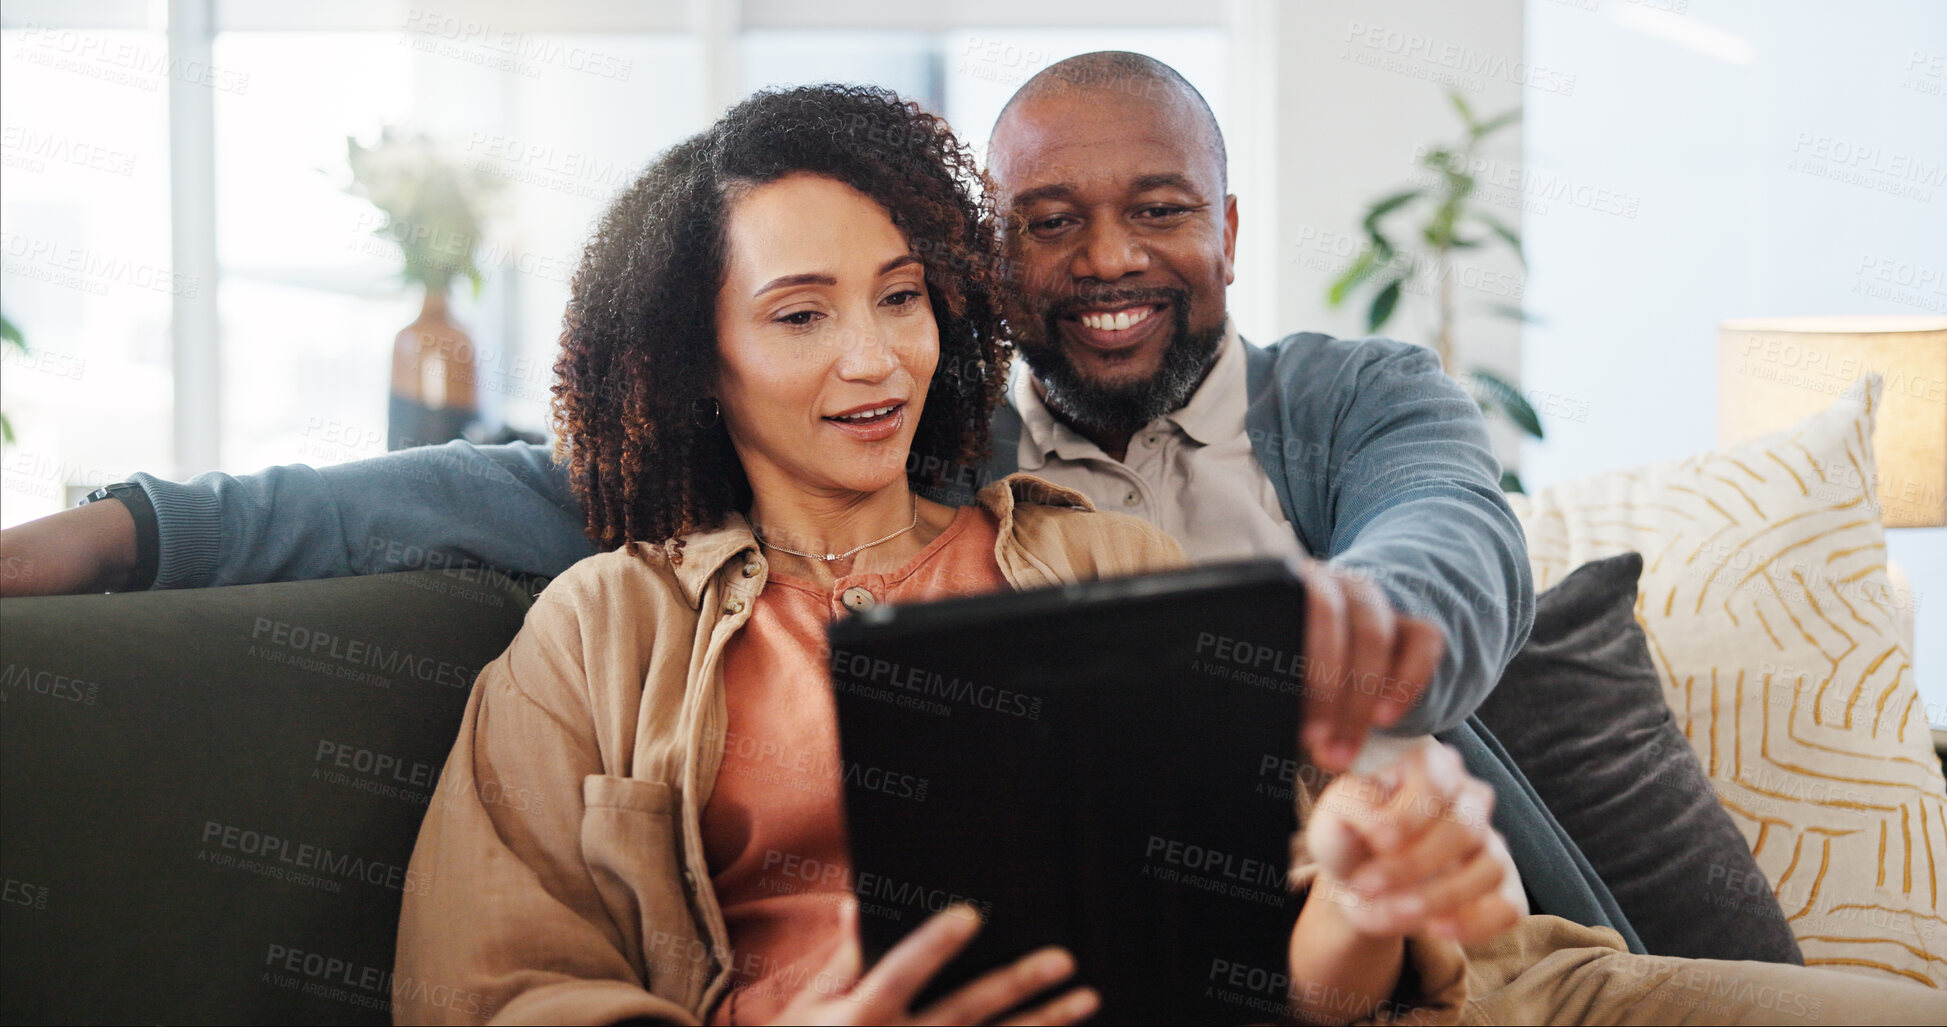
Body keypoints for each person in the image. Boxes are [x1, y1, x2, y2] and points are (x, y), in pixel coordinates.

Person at [395, 83, 1528, 1025]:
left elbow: (1292, 984)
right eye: (801, 317)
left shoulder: (1112, 569)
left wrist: (1366, 905)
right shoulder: (603, 629)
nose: (876, 359)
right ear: (698, 359)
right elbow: (486, 991)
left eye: (901, 298)